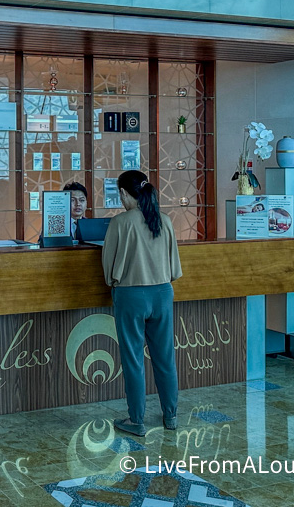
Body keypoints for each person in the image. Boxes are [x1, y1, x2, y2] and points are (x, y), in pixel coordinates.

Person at [101, 170, 182, 436]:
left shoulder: (120, 223)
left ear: (124, 193)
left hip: (131, 296)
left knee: (134, 359)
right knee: (165, 358)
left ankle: (137, 420)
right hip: (162, 294)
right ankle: (171, 416)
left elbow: (109, 268)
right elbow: (174, 269)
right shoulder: (165, 221)